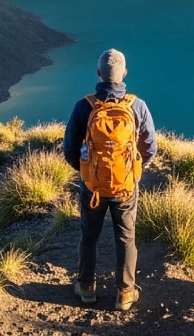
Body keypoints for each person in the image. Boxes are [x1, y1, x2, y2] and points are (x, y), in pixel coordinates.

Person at [63, 48, 157, 311]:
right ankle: (125, 293)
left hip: (92, 186)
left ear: (98, 74)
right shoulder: (137, 106)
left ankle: (86, 288)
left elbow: (70, 149)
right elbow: (149, 147)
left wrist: (87, 174)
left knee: (89, 236)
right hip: (125, 187)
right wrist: (135, 172)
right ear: (124, 74)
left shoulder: (84, 106)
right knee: (126, 238)